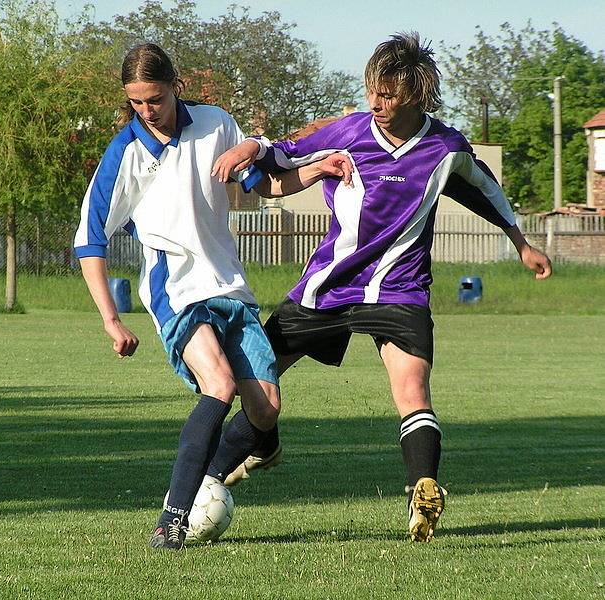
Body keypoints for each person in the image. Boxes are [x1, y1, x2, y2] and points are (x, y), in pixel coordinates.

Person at [211, 32, 552, 542]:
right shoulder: (350, 131)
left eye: (388, 94)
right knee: (252, 381)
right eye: (373, 91)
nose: (378, 103)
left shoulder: (445, 146)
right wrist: (248, 147)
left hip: (400, 290)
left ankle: (423, 492)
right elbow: (282, 154)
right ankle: (259, 447)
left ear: (415, 93)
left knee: (412, 391)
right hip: (328, 287)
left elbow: (486, 190)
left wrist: (521, 242)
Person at [73, 43, 351, 550]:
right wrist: (111, 320)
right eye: (136, 102)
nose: (146, 110)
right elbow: (89, 241)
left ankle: (220, 471)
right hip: (174, 286)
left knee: (265, 410)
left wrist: (318, 169)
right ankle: (172, 519)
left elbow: (264, 184)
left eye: (154, 98)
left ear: (175, 86)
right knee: (218, 383)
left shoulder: (217, 123)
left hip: (227, 284)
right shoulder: (126, 154)